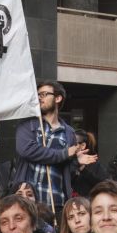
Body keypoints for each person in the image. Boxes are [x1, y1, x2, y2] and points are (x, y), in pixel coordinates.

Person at [13, 80, 78, 219]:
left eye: (44, 94)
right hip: (27, 199)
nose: (39, 98)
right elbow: (27, 150)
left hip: (56, 201)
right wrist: (64, 154)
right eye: (38, 95)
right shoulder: (27, 124)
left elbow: (69, 170)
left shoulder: (69, 132)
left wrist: (77, 161)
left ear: (58, 98)